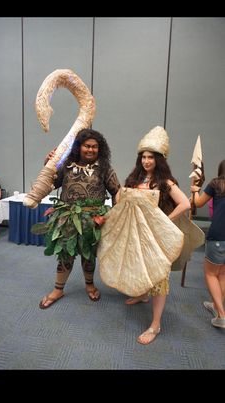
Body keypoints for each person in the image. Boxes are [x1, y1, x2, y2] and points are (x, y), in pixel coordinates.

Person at [98, 126, 191, 345]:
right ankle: (142, 294)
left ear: (160, 159)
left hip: (155, 239)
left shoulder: (166, 182)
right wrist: (108, 218)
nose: (146, 161)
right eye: (143, 157)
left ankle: (155, 325)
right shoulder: (133, 180)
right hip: (133, 235)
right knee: (136, 265)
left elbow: (185, 203)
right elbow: (120, 202)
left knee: (159, 277)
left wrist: (165, 222)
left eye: (151, 157)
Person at [39, 128, 121, 309]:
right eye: (87, 146)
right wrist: (49, 163)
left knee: (89, 255)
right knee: (65, 254)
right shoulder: (66, 164)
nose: (91, 150)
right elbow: (51, 183)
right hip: (67, 218)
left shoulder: (104, 168)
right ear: (79, 147)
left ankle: (90, 285)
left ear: (100, 149)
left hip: (92, 220)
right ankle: (58, 289)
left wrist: (115, 215)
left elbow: (117, 191)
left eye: (94, 147)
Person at [191, 159, 225, 328]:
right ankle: (216, 305)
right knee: (222, 274)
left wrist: (194, 190)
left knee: (211, 274)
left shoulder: (217, 183)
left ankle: (222, 315)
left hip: (218, 235)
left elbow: (198, 203)